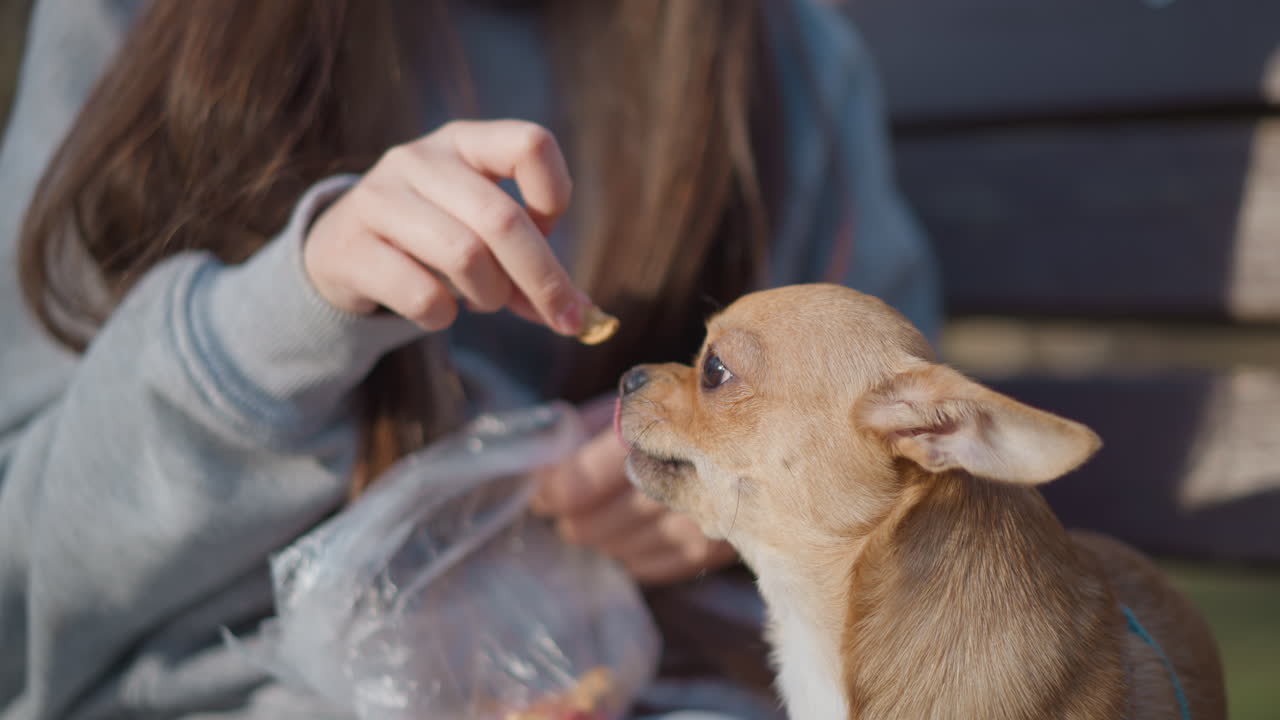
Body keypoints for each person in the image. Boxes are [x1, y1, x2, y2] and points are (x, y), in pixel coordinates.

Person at [0, 0, 940, 717]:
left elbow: (914, 504)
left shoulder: (784, 62)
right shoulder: (141, 24)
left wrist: (744, 517)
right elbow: (21, 573)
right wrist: (285, 315)